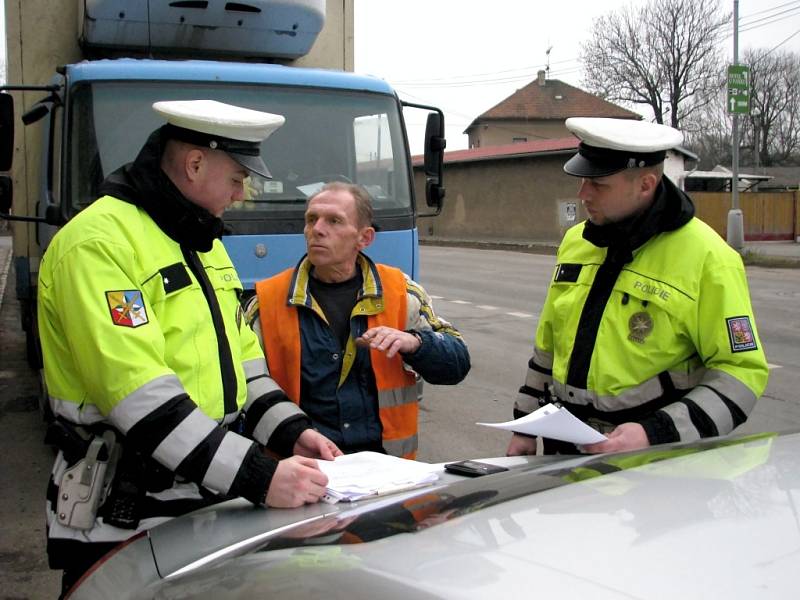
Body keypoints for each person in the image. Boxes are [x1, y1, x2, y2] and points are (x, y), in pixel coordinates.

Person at [37, 99, 342, 594]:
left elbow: (244, 365)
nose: (241, 195)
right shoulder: (98, 243)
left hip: (202, 493)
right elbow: (137, 397)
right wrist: (260, 476)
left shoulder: (200, 240)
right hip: (122, 512)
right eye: (238, 179)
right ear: (195, 164)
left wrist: (292, 432)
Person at [507, 117, 769, 457]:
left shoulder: (709, 258)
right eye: (584, 179)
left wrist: (654, 433)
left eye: (598, 185)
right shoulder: (577, 241)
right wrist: (526, 423)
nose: (582, 193)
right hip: (565, 455)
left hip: (655, 465)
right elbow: (548, 348)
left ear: (645, 185)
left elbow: (741, 373)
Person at [246, 182, 470, 458]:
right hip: (303, 473)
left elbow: (458, 363)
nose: (317, 229)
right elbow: (242, 389)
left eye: (334, 221)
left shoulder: (401, 292)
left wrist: (415, 343)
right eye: (311, 219)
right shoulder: (266, 302)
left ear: (364, 238)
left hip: (388, 472)